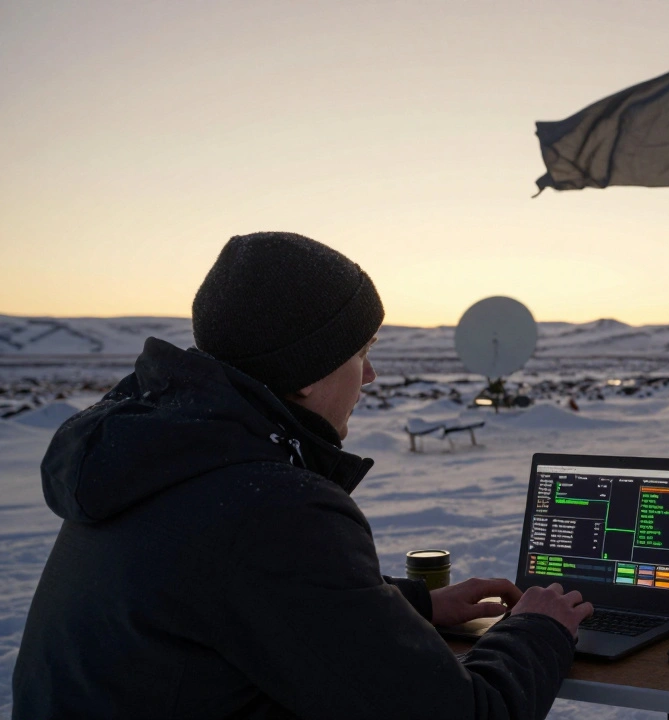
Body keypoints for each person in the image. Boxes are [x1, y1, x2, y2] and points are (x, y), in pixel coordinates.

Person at [13, 232, 593, 720]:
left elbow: (247, 597)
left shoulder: (154, 459)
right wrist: (539, 629)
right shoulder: (272, 507)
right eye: (360, 351)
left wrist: (411, 604)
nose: (369, 376)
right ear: (307, 373)